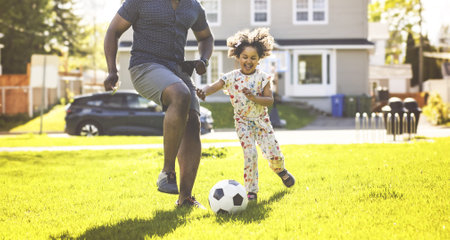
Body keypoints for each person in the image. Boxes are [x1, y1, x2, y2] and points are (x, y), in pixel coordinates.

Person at [103, 0, 214, 209]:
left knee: (193, 123)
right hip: (144, 66)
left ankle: (185, 199)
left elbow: (206, 37)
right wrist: (112, 70)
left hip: (177, 70)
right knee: (181, 94)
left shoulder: (193, 6)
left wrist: (204, 60)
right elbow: (113, 31)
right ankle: (167, 172)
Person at [196, 28, 294, 201]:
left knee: (274, 154)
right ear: (238, 57)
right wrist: (203, 91)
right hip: (242, 122)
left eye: (253, 58)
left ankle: (281, 170)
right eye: (245, 57)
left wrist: (254, 97)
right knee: (250, 154)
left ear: (259, 59)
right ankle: (251, 191)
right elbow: (214, 86)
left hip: (261, 121)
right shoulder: (230, 77)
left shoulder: (263, 78)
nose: (248, 61)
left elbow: (269, 100)